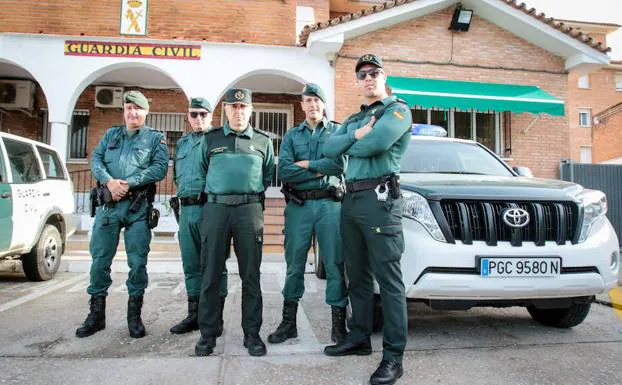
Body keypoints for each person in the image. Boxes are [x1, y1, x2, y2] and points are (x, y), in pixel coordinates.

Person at [322, 54, 412, 385]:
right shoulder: (354, 119)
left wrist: (355, 140)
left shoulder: (397, 110)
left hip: (379, 200)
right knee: (356, 275)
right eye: (362, 75)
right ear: (357, 81)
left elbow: (378, 143)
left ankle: (393, 357)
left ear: (383, 76)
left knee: (388, 281)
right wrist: (355, 136)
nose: (368, 78)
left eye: (374, 73)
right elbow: (330, 149)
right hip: (351, 199)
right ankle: (359, 338)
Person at [76, 90, 169, 339]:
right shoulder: (111, 134)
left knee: (137, 262)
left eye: (137, 108)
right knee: (99, 261)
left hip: (137, 208)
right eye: (128, 108)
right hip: (109, 206)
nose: (132, 112)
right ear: (124, 111)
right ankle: (96, 316)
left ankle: (134, 317)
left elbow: (159, 169)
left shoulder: (155, 138)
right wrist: (109, 182)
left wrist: (127, 183)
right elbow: (96, 160)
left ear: (146, 111)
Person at [194, 88, 275, 357]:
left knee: (251, 275)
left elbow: (267, 174)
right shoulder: (211, 140)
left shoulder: (263, 141)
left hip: (249, 210)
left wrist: (246, 195)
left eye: (243, 107)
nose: (238, 112)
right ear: (225, 110)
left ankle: (252, 334)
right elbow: (202, 171)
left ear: (251, 111)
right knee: (210, 275)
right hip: (216, 210)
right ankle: (208, 334)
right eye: (233, 107)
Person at [268, 83, 348, 345]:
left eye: (317, 100)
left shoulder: (337, 131)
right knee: (294, 265)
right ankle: (288, 323)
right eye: (308, 100)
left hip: (330, 206)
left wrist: (310, 165)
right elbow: (286, 171)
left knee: (335, 264)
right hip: (299, 206)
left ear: (323, 104)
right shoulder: (291, 136)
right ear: (301, 105)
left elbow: (339, 164)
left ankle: (339, 328)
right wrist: (320, 170)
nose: (313, 105)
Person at [170, 97, 228, 335]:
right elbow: (176, 175)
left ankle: (216, 318)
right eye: (194, 114)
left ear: (211, 115)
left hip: (210, 209)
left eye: (203, 114)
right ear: (188, 116)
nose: (198, 119)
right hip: (186, 210)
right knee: (191, 264)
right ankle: (194, 314)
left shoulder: (219, 139)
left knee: (215, 265)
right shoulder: (182, 144)